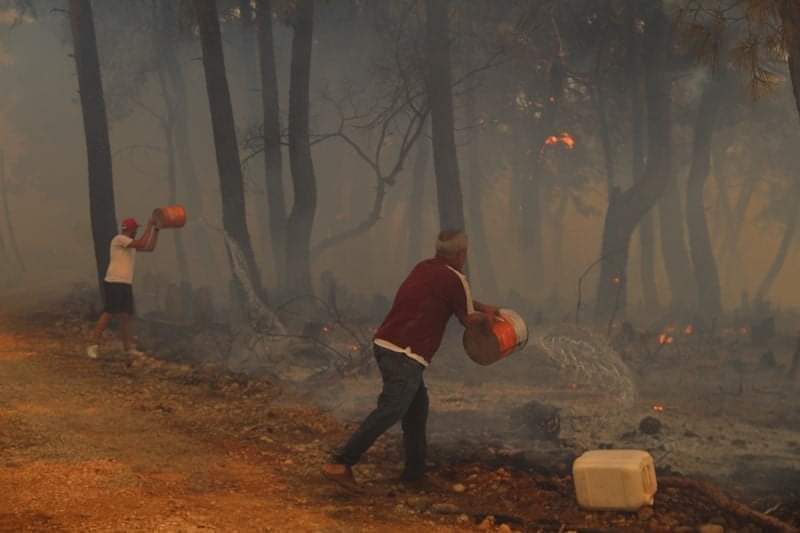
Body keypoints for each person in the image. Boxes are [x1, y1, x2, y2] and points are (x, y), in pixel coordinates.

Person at [322, 229, 500, 489]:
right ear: (462, 254)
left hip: (387, 344)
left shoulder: (424, 268)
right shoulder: (455, 278)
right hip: (405, 353)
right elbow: (466, 319)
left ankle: (415, 475)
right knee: (392, 408)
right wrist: (488, 319)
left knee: (416, 412)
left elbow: (457, 300)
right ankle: (341, 462)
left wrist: (483, 308)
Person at [86, 216, 160, 359]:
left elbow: (150, 247)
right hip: (114, 282)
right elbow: (142, 243)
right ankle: (93, 345)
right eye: (135, 229)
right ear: (131, 229)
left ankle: (128, 349)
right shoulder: (119, 239)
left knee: (126, 317)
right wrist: (150, 226)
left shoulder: (130, 245)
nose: (136, 231)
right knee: (108, 313)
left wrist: (156, 230)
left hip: (125, 283)